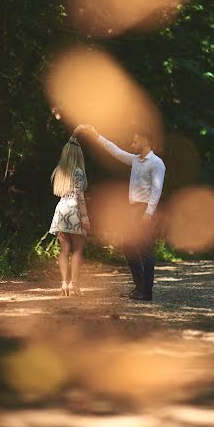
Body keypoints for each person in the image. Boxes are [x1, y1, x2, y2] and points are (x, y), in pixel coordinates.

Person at [74, 125, 165, 302]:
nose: (132, 144)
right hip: (132, 210)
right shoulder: (135, 160)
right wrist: (96, 135)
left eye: (135, 141)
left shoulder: (156, 163)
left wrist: (148, 213)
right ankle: (139, 288)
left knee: (145, 250)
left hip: (145, 209)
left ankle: (146, 292)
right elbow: (114, 151)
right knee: (128, 247)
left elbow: (157, 189)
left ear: (144, 142)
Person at [49, 135, 90, 296]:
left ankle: (64, 283)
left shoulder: (59, 171)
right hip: (74, 210)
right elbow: (79, 197)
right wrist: (85, 217)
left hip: (60, 210)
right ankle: (74, 283)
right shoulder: (78, 172)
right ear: (78, 155)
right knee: (78, 249)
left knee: (64, 249)